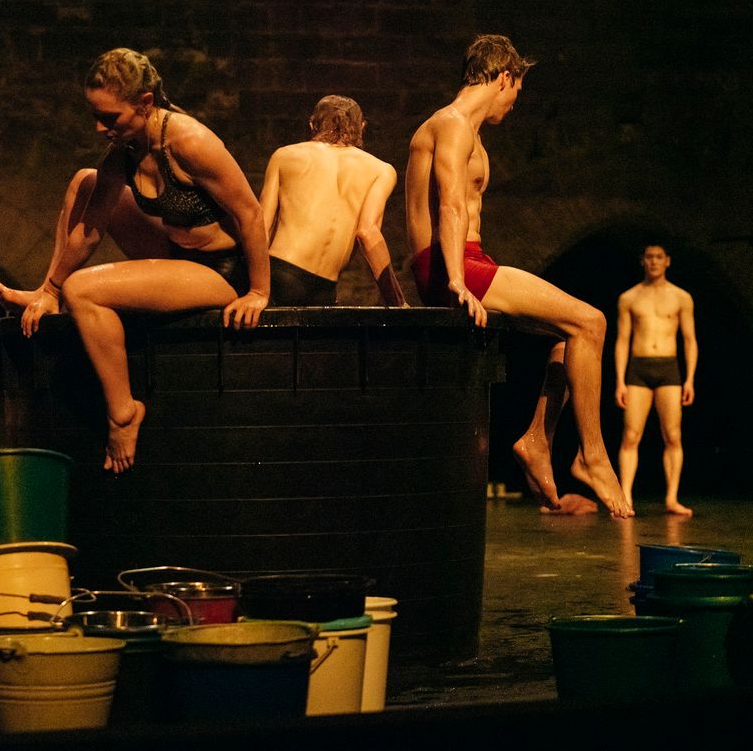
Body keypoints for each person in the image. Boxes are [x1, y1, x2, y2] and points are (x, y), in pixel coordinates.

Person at [0, 48, 271, 472]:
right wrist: (49, 289)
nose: (100, 127)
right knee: (85, 183)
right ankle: (48, 293)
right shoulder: (124, 150)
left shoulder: (190, 141)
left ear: (145, 103)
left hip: (220, 271)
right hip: (176, 254)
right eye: (95, 116)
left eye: (110, 117)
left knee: (84, 289)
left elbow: (250, 213)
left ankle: (123, 412)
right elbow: (91, 228)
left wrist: (259, 292)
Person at [404, 34, 632, 518]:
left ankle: (536, 440)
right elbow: (449, 206)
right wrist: (456, 281)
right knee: (591, 322)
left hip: (465, 259)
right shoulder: (453, 124)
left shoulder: (465, 131)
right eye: (516, 93)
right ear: (504, 77)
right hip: (452, 264)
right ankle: (592, 456)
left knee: (570, 338)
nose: (513, 105)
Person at [260, 95, 406, 306]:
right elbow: (368, 232)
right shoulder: (381, 170)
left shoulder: (285, 156)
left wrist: (254, 289)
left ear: (312, 124)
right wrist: (397, 301)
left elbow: (261, 228)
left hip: (282, 273)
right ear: (362, 127)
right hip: (326, 286)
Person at [614, 243, 697, 516]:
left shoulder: (681, 297)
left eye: (659, 257)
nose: (654, 261)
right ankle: (626, 497)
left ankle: (672, 498)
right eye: (649, 257)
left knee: (672, 435)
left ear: (667, 261)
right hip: (638, 368)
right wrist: (620, 381)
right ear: (643, 260)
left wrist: (690, 379)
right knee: (631, 435)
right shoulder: (629, 297)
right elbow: (622, 340)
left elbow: (689, 340)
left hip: (669, 368)